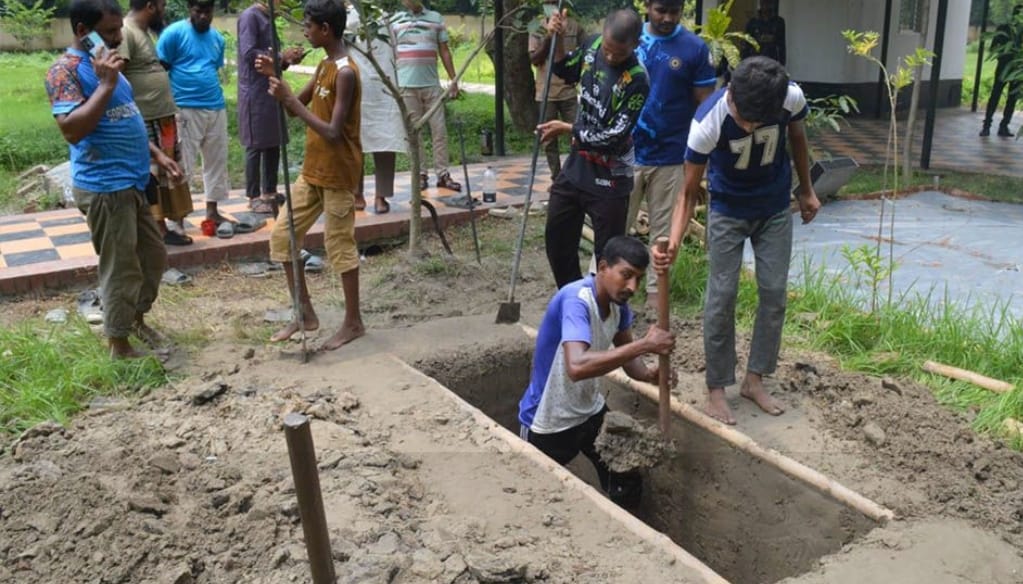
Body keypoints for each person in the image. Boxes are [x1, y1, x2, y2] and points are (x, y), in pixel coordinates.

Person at [653, 56, 819, 425]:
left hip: (774, 207)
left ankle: (754, 379)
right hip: (728, 211)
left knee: (774, 293)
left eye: (755, 121)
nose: (746, 124)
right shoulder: (707, 122)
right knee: (721, 296)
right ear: (731, 93)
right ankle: (717, 387)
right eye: (742, 116)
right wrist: (676, 241)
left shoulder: (790, 98)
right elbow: (688, 192)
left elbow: (798, 140)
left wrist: (806, 191)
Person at [46, 0, 181, 358]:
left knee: (153, 258)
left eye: (119, 30)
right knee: (121, 268)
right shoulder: (66, 71)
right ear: (81, 31)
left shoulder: (109, 65)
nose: (119, 39)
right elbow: (72, 130)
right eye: (109, 33)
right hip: (105, 187)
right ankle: (118, 345)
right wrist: (105, 85)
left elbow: (127, 116)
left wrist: (159, 155)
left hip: (133, 182)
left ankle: (134, 320)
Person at [518, 235, 675, 510]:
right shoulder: (576, 300)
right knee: (539, 498)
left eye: (638, 279)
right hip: (547, 420)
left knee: (626, 475)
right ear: (602, 267)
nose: (632, 287)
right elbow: (577, 367)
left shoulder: (618, 307)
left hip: (589, 410)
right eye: (626, 275)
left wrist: (652, 374)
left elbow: (631, 365)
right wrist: (645, 344)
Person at [256, 0, 365, 351]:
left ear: (326, 30)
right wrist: (278, 74)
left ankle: (353, 322)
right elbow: (292, 108)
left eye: (309, 25)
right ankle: (304, 313)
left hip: (338, 173)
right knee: (283, 238)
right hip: (313, 172)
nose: (304, 31)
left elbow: (333, 131)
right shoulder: (323, 65)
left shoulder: (345, 72)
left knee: (340, 247)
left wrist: (290, 99)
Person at [537, 8, 649, 289]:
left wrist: (567, 129)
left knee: (608, 255)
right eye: (608, 50)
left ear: (635, 45)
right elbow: (564, 69)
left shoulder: (637, 79)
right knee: (557, 237)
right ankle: (574, 298)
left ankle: (608, 315)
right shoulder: (594, 45)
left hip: (611, 174)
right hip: (578, 165)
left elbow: (613, 137)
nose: (610, 57)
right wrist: (557, 37)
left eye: (618, 54)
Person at [627, 0, 716, 309]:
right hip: (625, 153)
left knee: (663, 233)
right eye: (660, 10)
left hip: (671, 155)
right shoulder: (629, 38)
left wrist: (700, 156)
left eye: (674, 12)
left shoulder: (694, 49)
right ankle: (605, 293)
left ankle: (655, 300)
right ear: (647, 6)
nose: (666, 18)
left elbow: (705, 107)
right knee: (613, 227)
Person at [121, 0, 195, 247]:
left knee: (166, 174)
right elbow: (117, 77)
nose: (164, 11)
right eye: (163, 5)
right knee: (153, 175)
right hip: (146, 118)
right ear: (151, 6)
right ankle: (156, 230)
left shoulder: (142, 32)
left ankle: (163, 226)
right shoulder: (126, 31)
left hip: (162, 117)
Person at [157, 0, 232, 226]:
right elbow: (161, 69)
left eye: (207, 11)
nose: (202, 16)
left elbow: (213, 67)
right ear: (190, 9)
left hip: (215, 106)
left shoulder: (218, 39)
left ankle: (212, 211)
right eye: (198, 11)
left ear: (212, 11)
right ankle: (178, 216)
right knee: (182, 162)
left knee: (216, 160)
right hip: (184, 107)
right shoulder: (173, 34)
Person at [237, 0, 306, 214]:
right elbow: (249, 54)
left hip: (271, 87)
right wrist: (280, 56)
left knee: (273, 141)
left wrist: (287, 60)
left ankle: (270, 191)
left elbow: (272, 57)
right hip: (255, 91)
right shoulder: (250, 16)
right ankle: (254, 196)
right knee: (256, 144)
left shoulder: (270, 17)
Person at [389, 0, 461, 192]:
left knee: (439, 131)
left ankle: (443, 174)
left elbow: (444, 51)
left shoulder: (435, 18)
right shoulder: (395, 21)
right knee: (415, 134)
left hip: (431, 85)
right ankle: (420, 174)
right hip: (406, 86)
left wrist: (453, 79)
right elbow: (391, 53)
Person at [346, 2, 406, 214]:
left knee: (385, 141)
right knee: (356, 142)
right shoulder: (348, 16)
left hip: (384, 86)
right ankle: (357, 193)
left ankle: (380, 196)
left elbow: (396, 48)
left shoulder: (383, 17)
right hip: (356, 86)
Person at [528, 0, 582, 179]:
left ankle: (574, 175)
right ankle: (556, 177)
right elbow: (534, 59)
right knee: (548, 140)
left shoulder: (575, 26)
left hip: (568, 91)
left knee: (576, 136)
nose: (550, 4)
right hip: (545, 92)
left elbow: (586, 53)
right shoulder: (537, 28)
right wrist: (549, 36)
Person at [981, 5, 1022, 137]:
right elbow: (994, 48)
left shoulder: (1005, 28)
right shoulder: (1004, 28)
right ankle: (989, 126)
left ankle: (1001, 126)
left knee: (1010, 97)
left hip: (1014, 68)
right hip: (1006, 67)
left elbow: (993, 48)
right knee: (999, 95)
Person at [743, 0, 785, 65]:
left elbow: (782, 45)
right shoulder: (753, 22)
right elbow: (746, 45)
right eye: (763, 2)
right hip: (755, 60)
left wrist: (782, 64)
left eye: (768, 2)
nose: (766, 5)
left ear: (772, 3)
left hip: (772, 60)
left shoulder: (779, 22)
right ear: (760, 3)